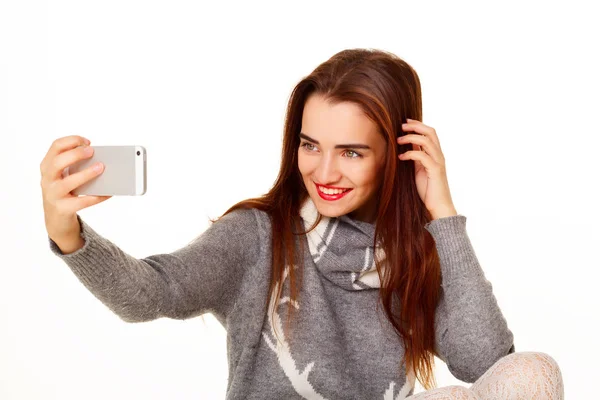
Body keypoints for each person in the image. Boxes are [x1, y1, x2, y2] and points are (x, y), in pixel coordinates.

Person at [41, 48, 564, 399]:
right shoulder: (256, 236)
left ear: (397, 156)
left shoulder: (413, 252)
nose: (325, 172)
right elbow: (152, 294)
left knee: (534, 371)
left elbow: (489, 364)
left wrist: (443, 216)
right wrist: (70, 235)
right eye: (310, 145)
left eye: (352, 152)